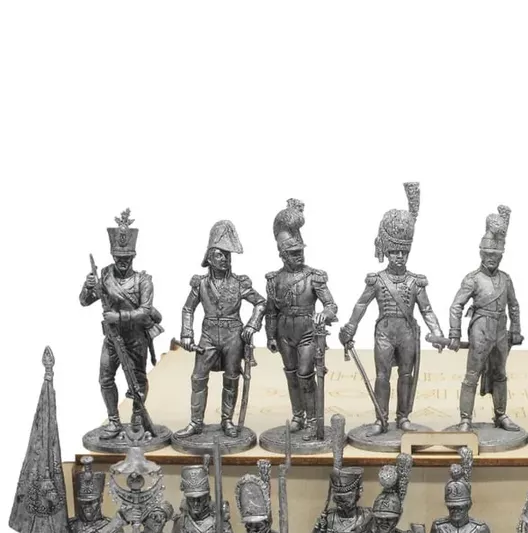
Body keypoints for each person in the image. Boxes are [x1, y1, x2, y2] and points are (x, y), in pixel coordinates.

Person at [338, 183, 447, 432]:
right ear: (387, 251)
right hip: (384, 333)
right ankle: (381, 419)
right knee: (382, 376)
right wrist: (350, 328)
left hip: (407, 332)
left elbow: (427, 310)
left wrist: (437, 332)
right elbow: (361, 304)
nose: (399, 256)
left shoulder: (416, 281)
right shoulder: (377, 280)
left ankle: (403, 417)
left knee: (406, 375)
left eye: (403, 252)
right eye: (395, 251)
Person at [79, 208, 164, 440]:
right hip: (112, 338)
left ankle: (137, 417)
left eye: (126, 259)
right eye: (119, 259)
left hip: (136, 338)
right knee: (105, 378)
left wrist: (118, 317)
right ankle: (114, 420)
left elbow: (145, 311)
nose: (123, 263)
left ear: (133, 258)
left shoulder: (143, 281)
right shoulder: (105, 276)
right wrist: (88, 286)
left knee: (138, 380)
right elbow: (85, 301)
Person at [177, 220, 265, 438]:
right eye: (219, 255)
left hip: (233, 336)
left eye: (227, 255)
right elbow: (188, 309)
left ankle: (227, 420)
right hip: (208, 335)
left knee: (232, 377)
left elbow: (261, 303)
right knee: (198, 377)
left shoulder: (239, 283)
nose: (224, 259)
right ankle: (196, 422)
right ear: (209, 258)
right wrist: (187, 334)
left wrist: (252, 325)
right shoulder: (200, 284)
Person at [265, 199, 339, 439]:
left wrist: (324, 314)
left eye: (300, 252)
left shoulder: (313, 277)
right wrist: (270, 336)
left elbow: (331, 306)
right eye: (293, 253)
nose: (298, 256)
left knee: (306, 375)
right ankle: (298, 416)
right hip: (284, 332)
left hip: (307, 331)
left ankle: (313, 420)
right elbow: (271, 310)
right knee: (291, 374)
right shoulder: (274, 280)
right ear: (283, 255)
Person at [447, 204, 523, 431]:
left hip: (501, 330)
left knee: (500, 374)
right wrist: (454, 333)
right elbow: (456, 306)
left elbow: (514, 305)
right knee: (472, 375)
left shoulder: (506, 279)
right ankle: (465, 419)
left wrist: (516, 330)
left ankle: (500, 415)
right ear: (481, 254)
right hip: (480, 329)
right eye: (488, 254)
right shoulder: (472, 279)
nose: (492, 259)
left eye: (496, 255)